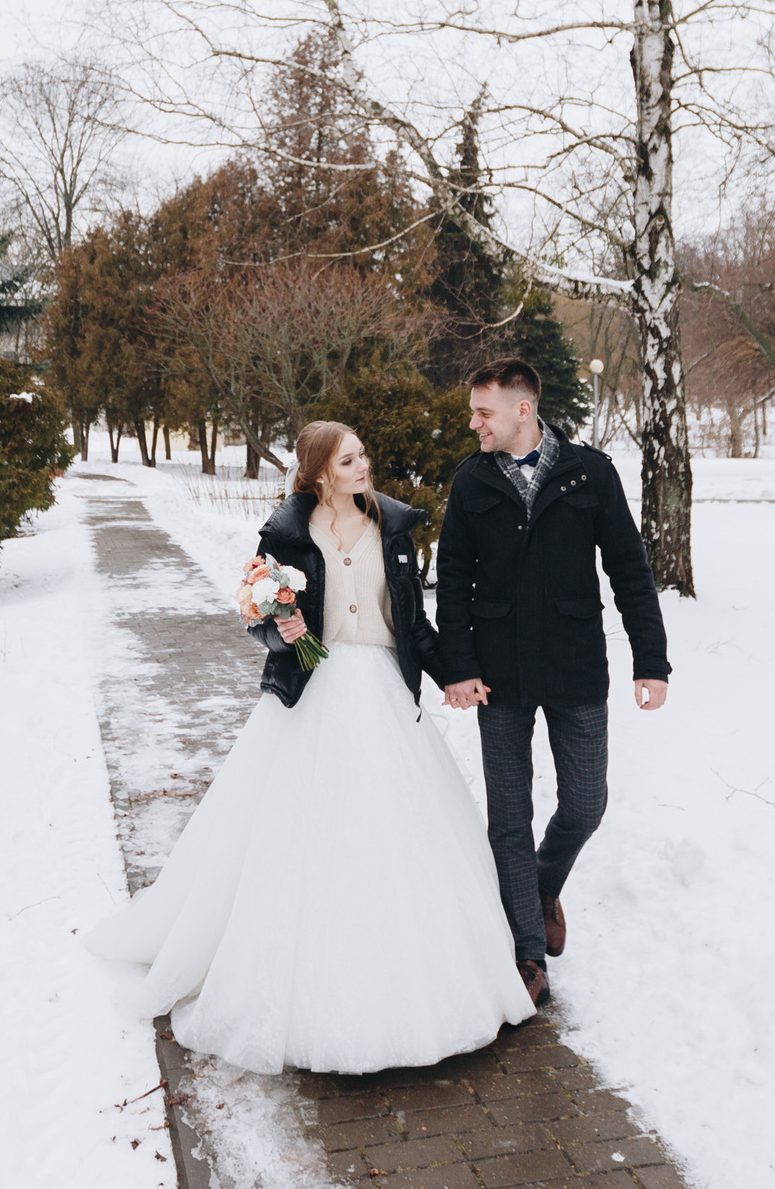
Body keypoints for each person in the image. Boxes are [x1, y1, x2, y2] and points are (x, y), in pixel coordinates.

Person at [83, 420, 536, 1073]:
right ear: (319, 471)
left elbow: (412, 624)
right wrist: (282, 628)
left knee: (396, 833)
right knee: (299, 833)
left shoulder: (391, 527)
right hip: (311, 689)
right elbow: (259, 615)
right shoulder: (287, 532)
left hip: (381, 692)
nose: (363, 465)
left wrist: (454, 676)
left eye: (363, 454)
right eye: (348, 460)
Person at [435, 357, 672, 1006]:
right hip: (498, 674)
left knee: (587, 803)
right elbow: (452, 579)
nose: (474, 423)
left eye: (483, 411)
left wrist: (651, 660)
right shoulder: (473, 480)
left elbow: (629, 569)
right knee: (509, 819)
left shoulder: (590, 473)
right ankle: (528, 954)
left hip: (575, 666)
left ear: (523, 410)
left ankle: (541, 884)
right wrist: (459, 666)